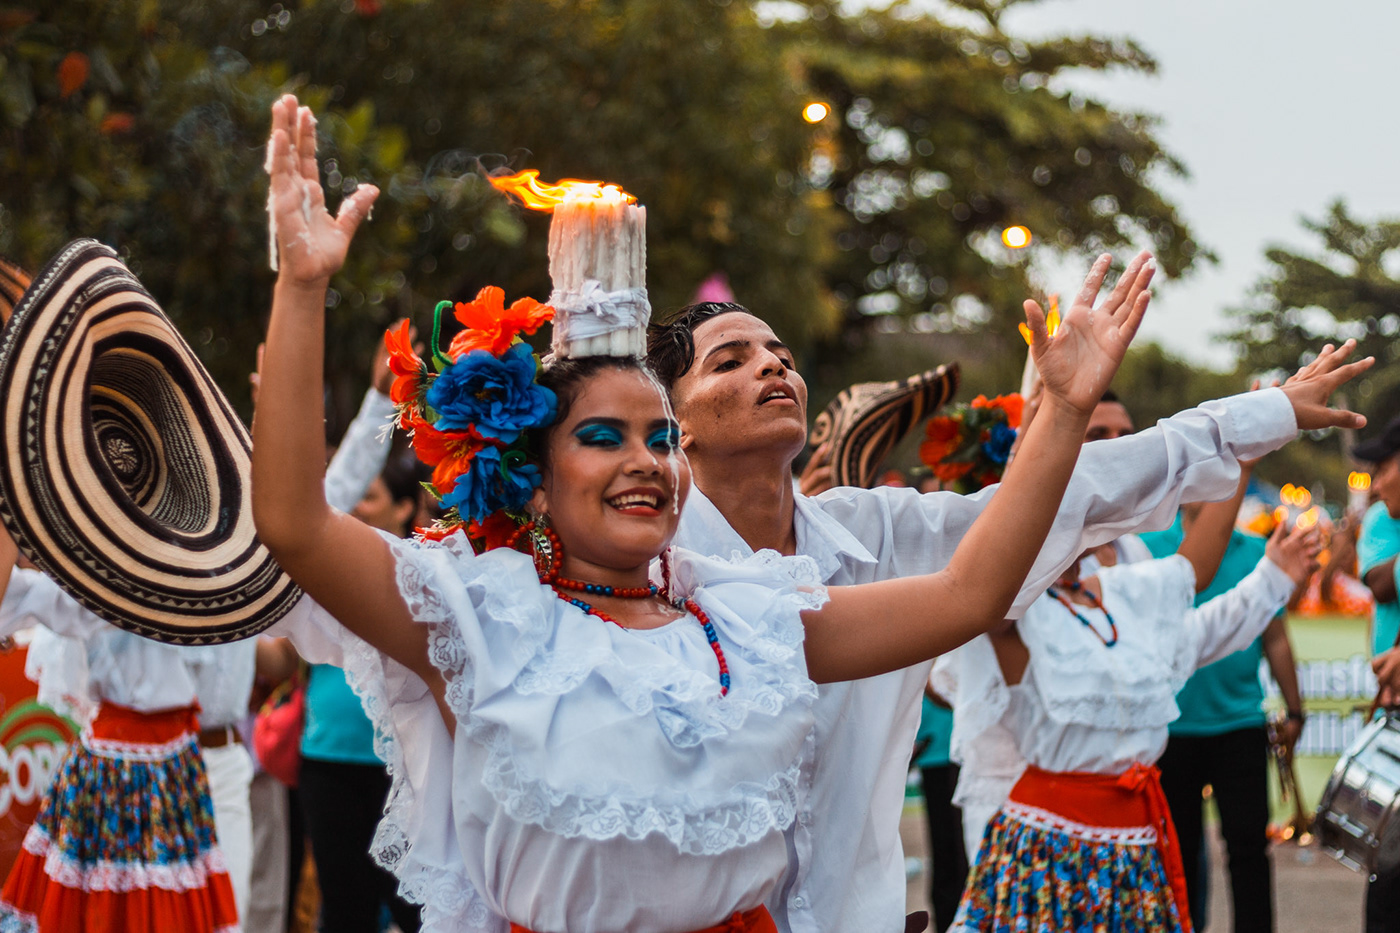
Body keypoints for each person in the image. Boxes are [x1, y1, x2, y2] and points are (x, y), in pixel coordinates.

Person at [252, 92, 1150, 933]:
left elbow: (970, 592)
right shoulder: (481, 611)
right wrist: (301, 289)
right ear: (535, 472)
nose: (645, 460)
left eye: (661, 436)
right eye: (605, 436)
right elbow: (294, 521)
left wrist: (1063, 416)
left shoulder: (743, 614)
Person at [644, 311, 1367, 933]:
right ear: (673, 424)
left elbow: (1067, 499)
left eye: (782, 356)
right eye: (730, 361)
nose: (771, 364)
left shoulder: (877, 531)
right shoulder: (647, 572)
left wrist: (1247, 416)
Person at [940, 505, 1320, 932]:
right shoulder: (1015, 614)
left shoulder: (1120, 595)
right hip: (1049, 850)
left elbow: (1200, 629)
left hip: (1134, 848)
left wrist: (1272, 577)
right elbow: (989, 583)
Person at [1141, 502, 1305, 932]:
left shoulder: (1255, 551)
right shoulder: (1149, 547)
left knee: (1249, 848)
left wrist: (1295, 707)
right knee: (1178, 851)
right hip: (1172, 728)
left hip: (1239, 723)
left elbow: (1276, 636)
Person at [1354, 413, 1400, 933]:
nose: (1378, 482)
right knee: (1387, 873)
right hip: (1393, 708)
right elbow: (1381, 584)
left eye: (1385, 467)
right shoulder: (1381, 520)